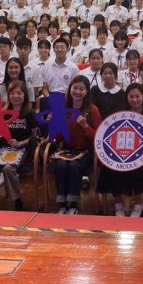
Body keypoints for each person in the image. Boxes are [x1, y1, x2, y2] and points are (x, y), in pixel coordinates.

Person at [97, 83, 143, 217]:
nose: (134, 99)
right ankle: (118, 202)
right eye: (131, 96)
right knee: (111, 167)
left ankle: (139, 203)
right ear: (127, 98)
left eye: (137, 96)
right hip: (120, 153)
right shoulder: (120, 114)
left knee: (137, 168)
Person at [50, 75, 101, 214]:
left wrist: (85, 126)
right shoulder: (63, 109)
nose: (77, 92)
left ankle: (73, 204)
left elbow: (98, 137)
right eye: (75, 88)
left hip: (86, 151)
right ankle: (62, 204)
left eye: (81, 89)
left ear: (86, 91)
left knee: (73, 166)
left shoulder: (93, 110)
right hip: (67, 150)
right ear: (70, 89)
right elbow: (59, 138)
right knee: (61, 165)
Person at [0, 80, 38, 210]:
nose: (16, 96)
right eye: (12, 93)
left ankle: (17, 200)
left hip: (23, 148)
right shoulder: (3, 113)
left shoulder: (30, 113)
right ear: (8, 95)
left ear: (25, 95)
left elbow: (35, 137)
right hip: (4, 148)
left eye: (19, 93)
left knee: (8, 168)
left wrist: (20, 143)